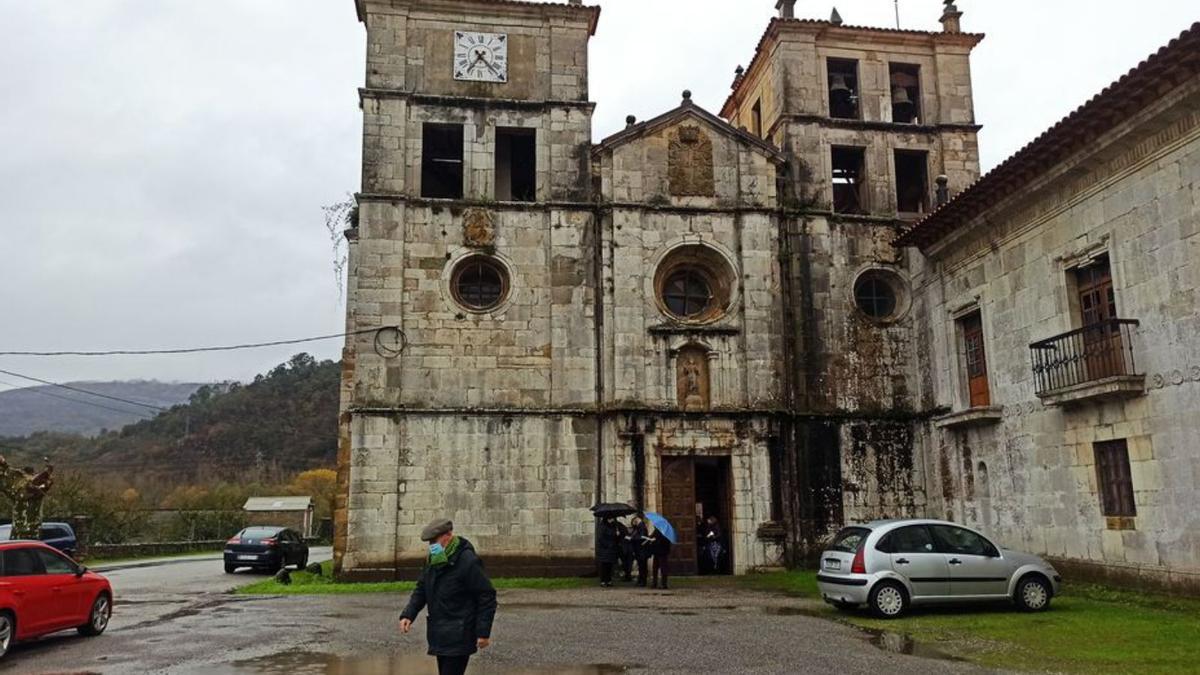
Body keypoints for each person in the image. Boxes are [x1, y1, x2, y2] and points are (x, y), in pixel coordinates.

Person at [399, 518, 497, 675]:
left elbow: (486, 596)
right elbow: (422, 588)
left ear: (448, 535)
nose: (432, 546)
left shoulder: (467, 561)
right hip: (440, 633)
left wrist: (483, 632)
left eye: (434, 541)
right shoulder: (433, 560)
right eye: (430, 542)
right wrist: (408, 614)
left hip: (460, 634)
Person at [595, 516, 620, 587]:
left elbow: (614, 538)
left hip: (611, 549)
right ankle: (603, 581)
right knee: (604, 565)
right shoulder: (602, 526)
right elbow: (600, 538)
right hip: (605, 549)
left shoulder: (613, 526)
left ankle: (609, 580)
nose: (612, 520)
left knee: (610, 565)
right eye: (611, 518)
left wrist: (617, 535)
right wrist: (608, 545)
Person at [628, 514, 650, 587]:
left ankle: (643, 581)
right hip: (639, 550)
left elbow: (642, 537)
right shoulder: (638, 527)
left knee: (642, 566)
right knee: (641, 566)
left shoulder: (642, 527)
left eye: (634, 522)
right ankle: (640, 580)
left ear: (636, 520)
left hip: (642, 550)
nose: (633, 524)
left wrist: (632, 538)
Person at [616, 517, 634, 582]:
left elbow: (623, 537)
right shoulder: (621, 526)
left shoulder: (619, 526)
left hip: (625, 548)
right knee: (626, 563)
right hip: (625, 548)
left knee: (626, 563)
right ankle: (627, 576)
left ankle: (628, 576)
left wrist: (618, 535)